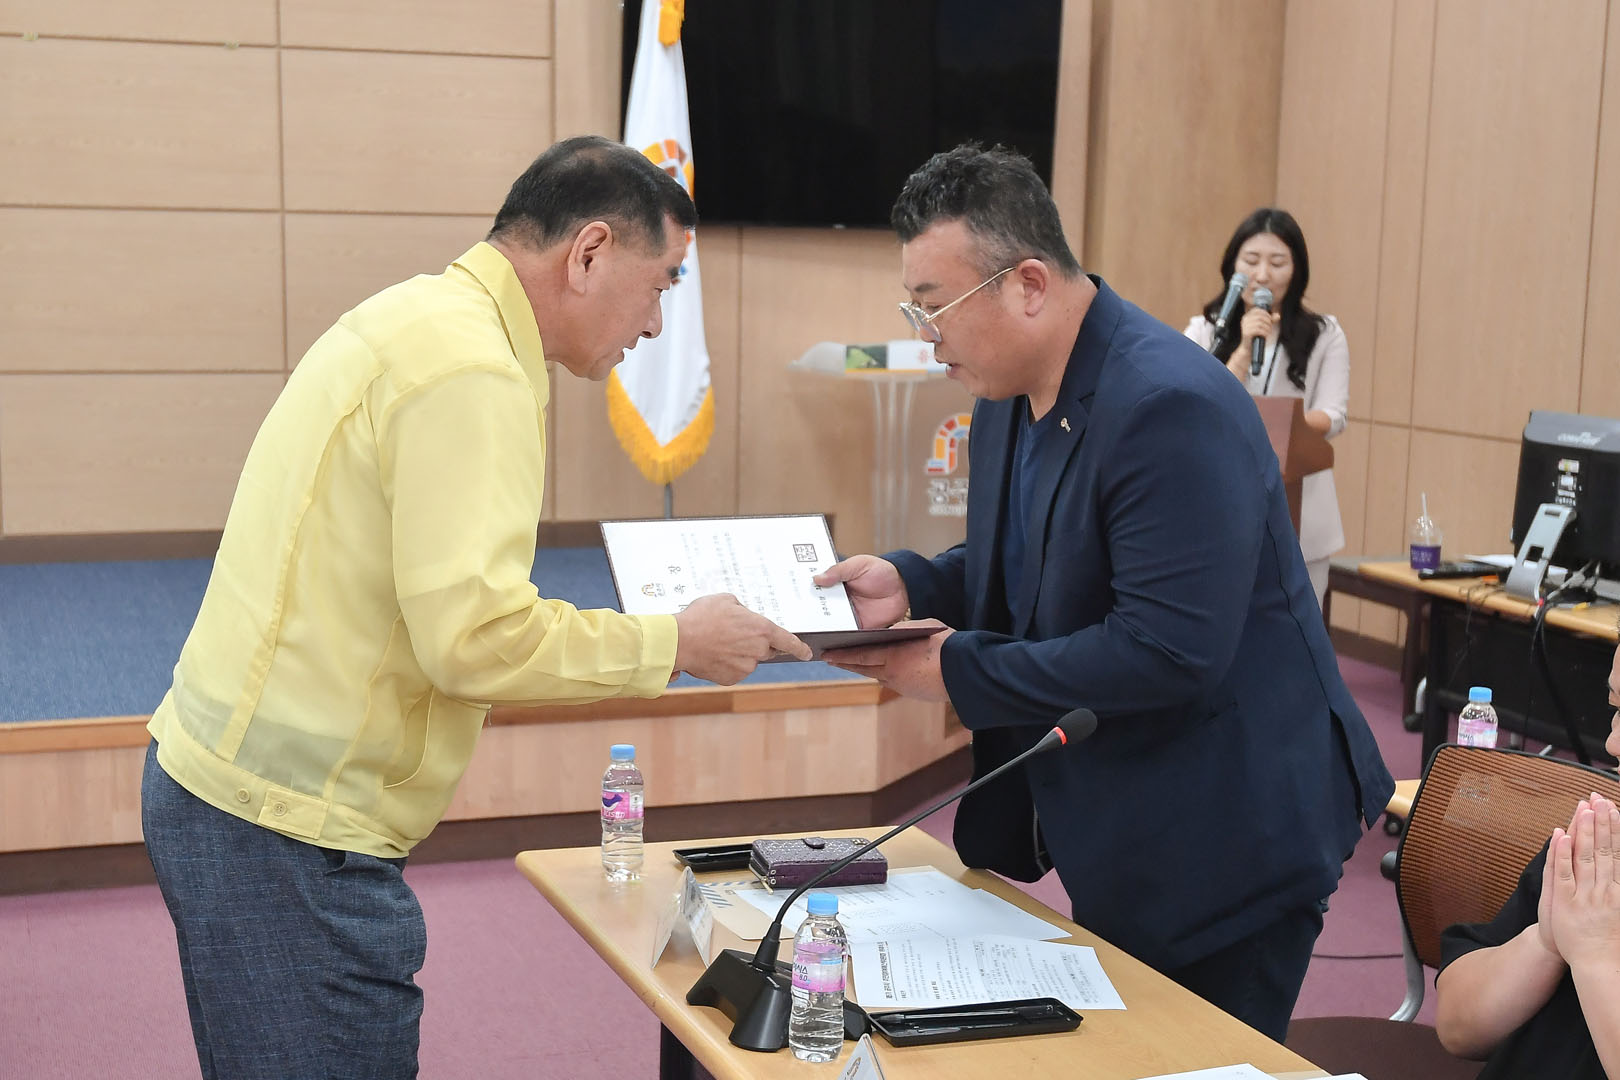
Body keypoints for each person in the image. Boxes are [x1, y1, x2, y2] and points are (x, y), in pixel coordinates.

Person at [141, 135, 811, 1080]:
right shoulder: (473, 370)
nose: (658, 324)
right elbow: (475, 642)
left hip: (240, 791)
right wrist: (674, 643)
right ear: (588, 253)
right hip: (284, 826)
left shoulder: (425, 316)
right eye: (661, 284)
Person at [816, 144, 1394, 1041]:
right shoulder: (1006, 392)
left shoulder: (1169, 405)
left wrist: (955, 670)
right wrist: (913, 580)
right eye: (912, 308)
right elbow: (1031, 559)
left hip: (1232, 831)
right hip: (1130, 812)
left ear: (1028, 285)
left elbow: (1167, 650)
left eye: (935, 307)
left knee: (1189, 1061)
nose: (928, 335)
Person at [1434, 633, 1620, 1078]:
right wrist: (1545, 944)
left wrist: (1595, 955)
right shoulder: (1596, 844)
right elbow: (1457, 1027)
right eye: (1617, 707)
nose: (1614, 745)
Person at [1184, 208, 1349, 607]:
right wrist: (1242, 350)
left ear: (1297, 271)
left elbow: (1333, 415)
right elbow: (1191, 407)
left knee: (1298, 628)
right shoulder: (1203, 331)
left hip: (1301, 514)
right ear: (1232, 266)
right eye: (1251, 261)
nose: (1262, 275)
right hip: (1219, 508)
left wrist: (1282, 424)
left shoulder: (1324, 334)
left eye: (1277, 263)